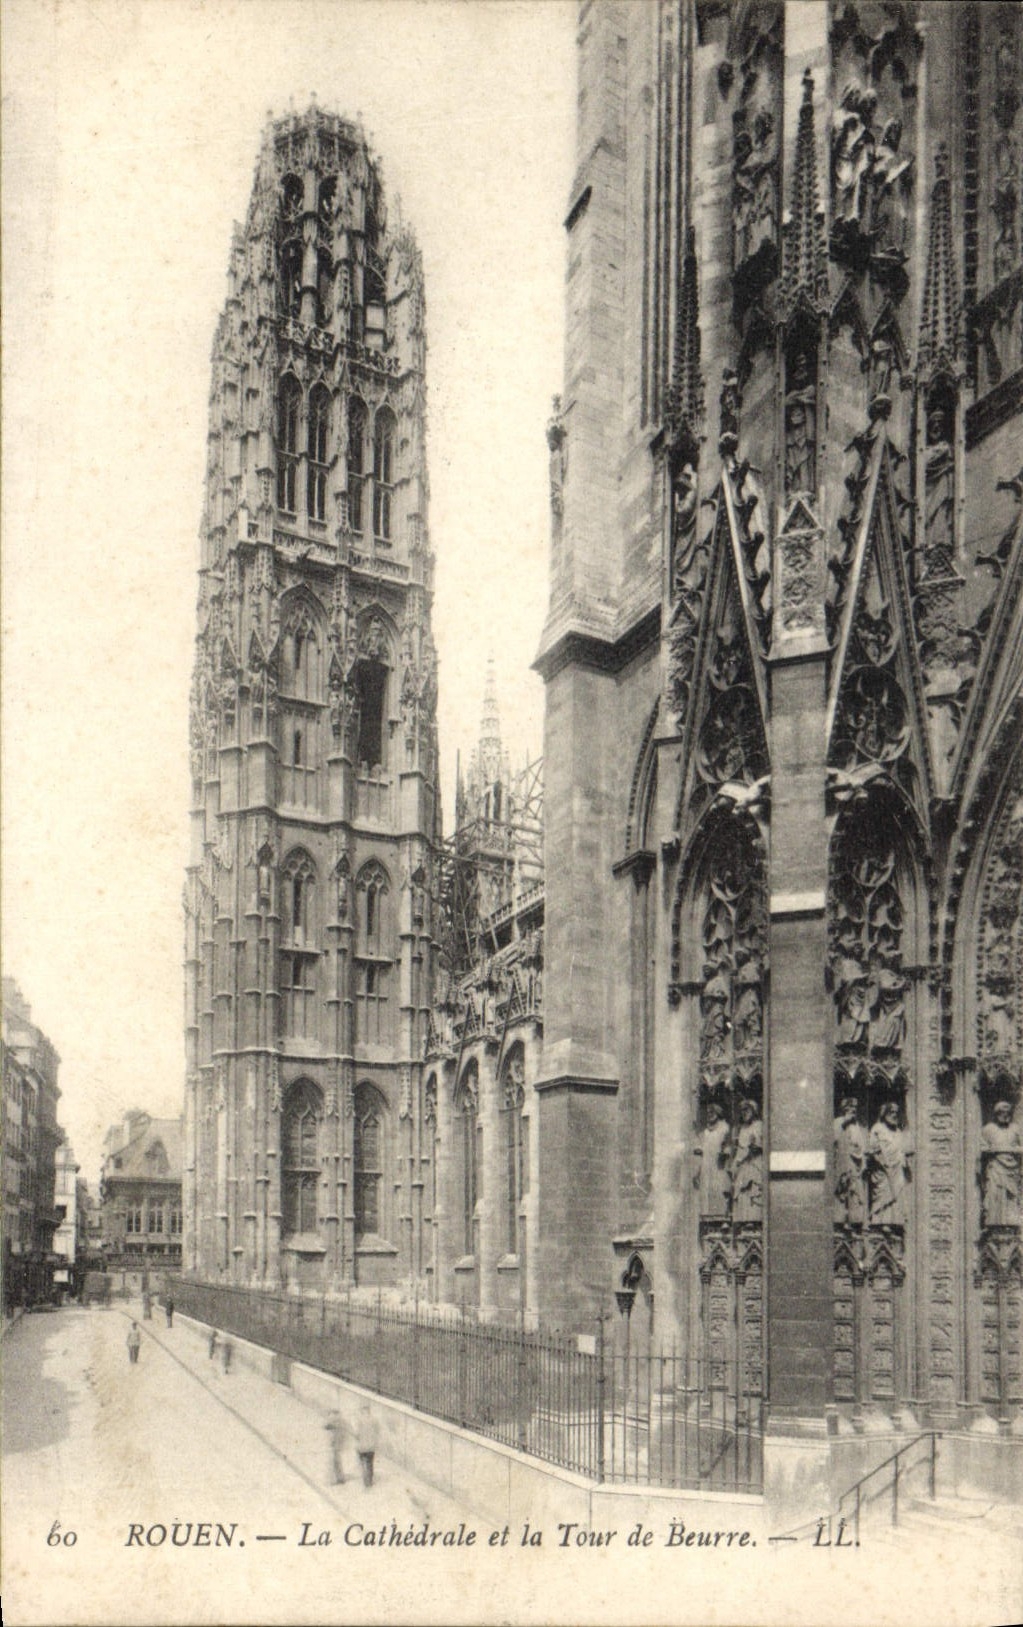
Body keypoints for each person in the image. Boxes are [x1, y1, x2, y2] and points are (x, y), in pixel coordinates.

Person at [867, 1100, 912, 1224]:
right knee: (883, 1194)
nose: (894, 1115)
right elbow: (872, 1148)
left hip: (897, 1169)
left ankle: (895, 1222)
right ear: (884, 1113)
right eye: (891, 1112)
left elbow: (902, 1148)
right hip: (882, 1169)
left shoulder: (898, 1131)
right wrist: (880, 1160)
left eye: (896, 1113)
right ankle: (879, 1222)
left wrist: (904, 1155)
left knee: (897, 1194)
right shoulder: (878, 1128)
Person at [980, 1101, 1023, 1228]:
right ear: (996, 1114)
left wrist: (1010, 1150)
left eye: (1007, 1113)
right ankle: (994, 1221)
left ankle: (1012, 1221)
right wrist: (993, 1150)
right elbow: (982, 1148)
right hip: (995, 1168)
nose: (1005, 1116)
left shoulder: (1015, 1129)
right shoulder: (988, 1129)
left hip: (1012, 1169)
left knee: (1011, 1196)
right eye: (1002, 1113)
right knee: (995, 1194)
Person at [355, 1401, 379, 1488]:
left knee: (362, 1463)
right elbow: (377, 1431)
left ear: (362, 1411)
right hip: (371, 1446)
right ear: (369, 1411)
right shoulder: (374, 1420)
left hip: (362, 1446)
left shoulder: (359, 1420)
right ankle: (370, 1480)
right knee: (370, 1463)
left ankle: (366, 1481)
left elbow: (356, 1434)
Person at [325, 1411, 347, 1485]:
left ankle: (334, 1479)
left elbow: (328, 1427)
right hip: (336, 1446)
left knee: (333, 1463)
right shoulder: (339, 1424)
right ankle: (340, 1478)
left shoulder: (337, 1425)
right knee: (337, 1462)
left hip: (335, 1447)